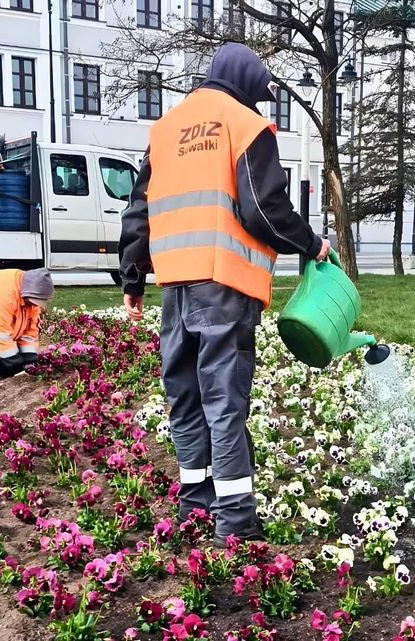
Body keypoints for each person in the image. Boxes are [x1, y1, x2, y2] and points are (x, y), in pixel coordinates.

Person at [119, 43, 330, 547]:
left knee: (186, 397)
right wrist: (311, 243)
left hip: (175, 287)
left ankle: (195, 506)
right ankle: (235, 522)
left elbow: (137, 211)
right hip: (225, 288)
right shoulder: (245, 125)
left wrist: (132, 277)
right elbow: (263, 208)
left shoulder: (164, 131)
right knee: (224, 402)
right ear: (248, 87)